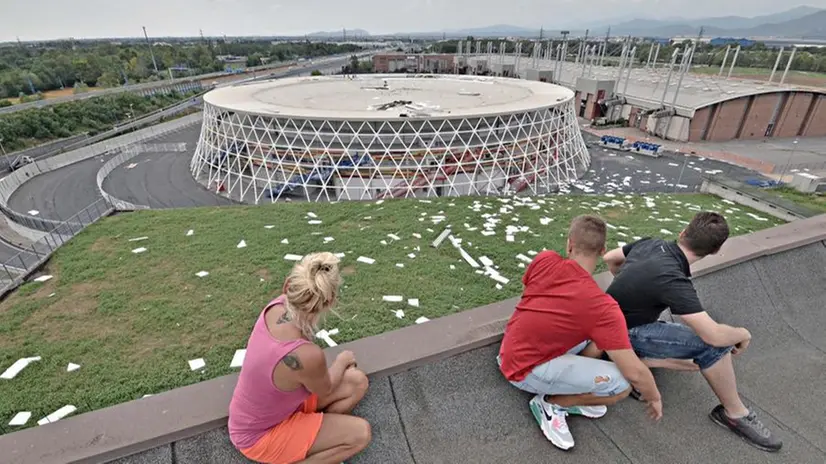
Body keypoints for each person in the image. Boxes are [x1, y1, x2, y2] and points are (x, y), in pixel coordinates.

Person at [603, 211, 782, 452]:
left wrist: (626, 281)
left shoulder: (651, 244)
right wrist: (743, 333)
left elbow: (611, 257)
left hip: (606, 321)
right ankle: (735, 414)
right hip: (624, 334)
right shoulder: (674, 280)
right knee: (715, 345)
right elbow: (714, 336)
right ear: (715, 250)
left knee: (703, 339)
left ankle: (641, 362)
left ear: (683, 233)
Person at [498, 215, 663, 451]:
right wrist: (654, 397)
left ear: (569, 243)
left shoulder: (544, 260)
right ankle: (552, 404)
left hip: (510, 350)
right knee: (623, 385)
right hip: (524, 371)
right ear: (603, 250)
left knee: (600, 338)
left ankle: (568, 388)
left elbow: (534, 301)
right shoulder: (602, 307)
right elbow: (635, 372)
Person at [228, 252, 371, 464]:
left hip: (276, 410)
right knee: (361, 434)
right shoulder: (307, 354)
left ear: (287, 286)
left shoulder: (275, 307)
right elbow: (326, 388)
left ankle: (315, 433)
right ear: (330, 301)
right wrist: (342, 359)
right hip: (260, 437)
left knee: (357, 382)